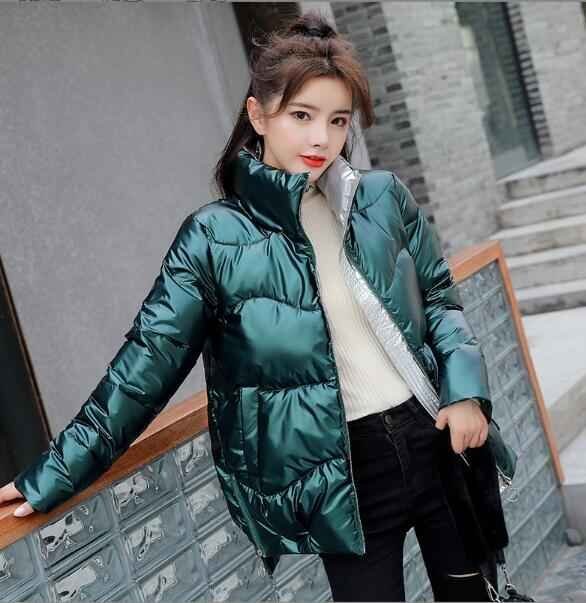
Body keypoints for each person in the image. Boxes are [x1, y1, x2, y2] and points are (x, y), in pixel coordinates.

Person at [1, 11, 499, 602]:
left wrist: (465, 393)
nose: (321, 139)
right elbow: (145, 366)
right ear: (258, 115)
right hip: (342, 474)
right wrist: (57, 470)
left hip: (435, 436)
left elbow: (439, 297)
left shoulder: (382, 198)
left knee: (472, 593)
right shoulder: (213, 238)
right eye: (301, 116)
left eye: (338, 121)